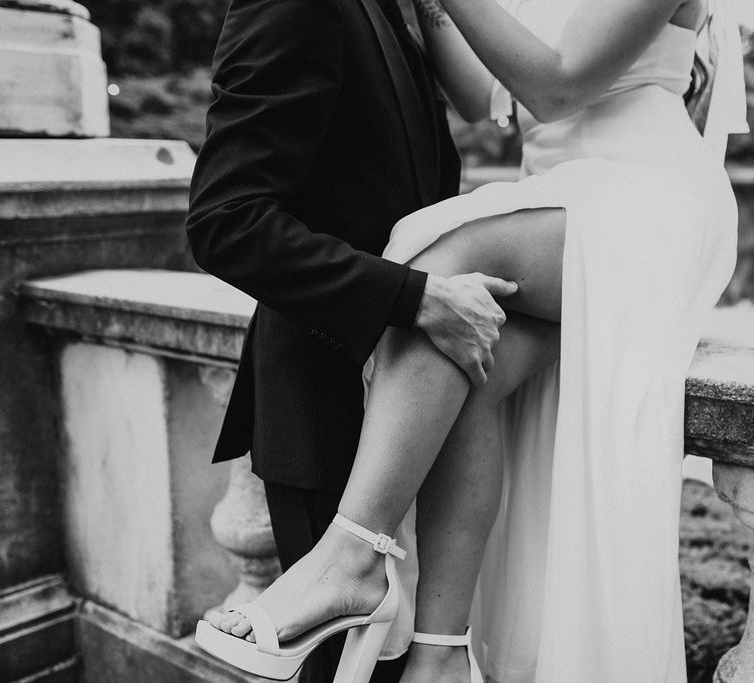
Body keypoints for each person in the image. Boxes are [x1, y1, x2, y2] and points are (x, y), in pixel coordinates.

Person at [195, 0, 748, 680]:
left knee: (445, 256)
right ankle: (441, 654)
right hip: (568, 204)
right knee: (465, 349)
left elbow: (554, 86)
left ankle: (352, 558)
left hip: (648, 199)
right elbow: (487, 96)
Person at [184, 0, 523, 679]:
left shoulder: (389, 13)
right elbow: (227, 222)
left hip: (412, 410)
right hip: (325, 409)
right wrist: (415, 298)